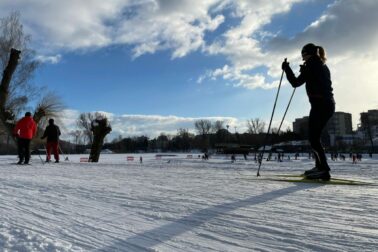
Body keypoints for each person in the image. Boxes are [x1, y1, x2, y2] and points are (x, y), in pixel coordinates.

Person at [282, 43, 335, 180]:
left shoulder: (312, 65)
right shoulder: (321, 64)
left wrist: (287, 68)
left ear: (307, 54)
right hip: (326, 104)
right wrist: (305, 71)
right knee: (314, 138)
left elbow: (295, 82)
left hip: (320, 105)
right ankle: (320, 167)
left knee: (313, 138)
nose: (302, 59)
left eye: (303, 56)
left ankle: (323, 169)